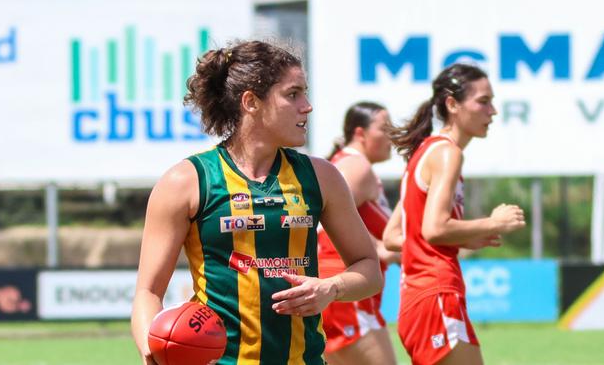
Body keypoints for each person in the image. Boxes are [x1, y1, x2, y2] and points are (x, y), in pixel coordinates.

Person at [130, 40, 383, 365]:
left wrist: (331, 288)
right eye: (293, 94)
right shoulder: (187, 181)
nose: (307, 106)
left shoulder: (321, 176)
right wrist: (154, 350)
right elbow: (148, 293)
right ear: (251, 102)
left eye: (305, 93)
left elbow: (369, 269)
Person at [383, 63, 526, 365]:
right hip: (435, 293)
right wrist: (493, 222)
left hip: (420, 299)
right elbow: (433, 229)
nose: (493, 111)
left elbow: (396, 235)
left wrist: (466, 235)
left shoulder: (426, 152)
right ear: (452, 104)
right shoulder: (448, 153)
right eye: (484, 101)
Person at [317, 102, 400, 365]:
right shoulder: (356, 166)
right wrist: (379, 249)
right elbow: (326, 222)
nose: (392, 135)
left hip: (340, 289)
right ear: (361, 133)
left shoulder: (347, 164)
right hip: (347, 289)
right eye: (384, 128)